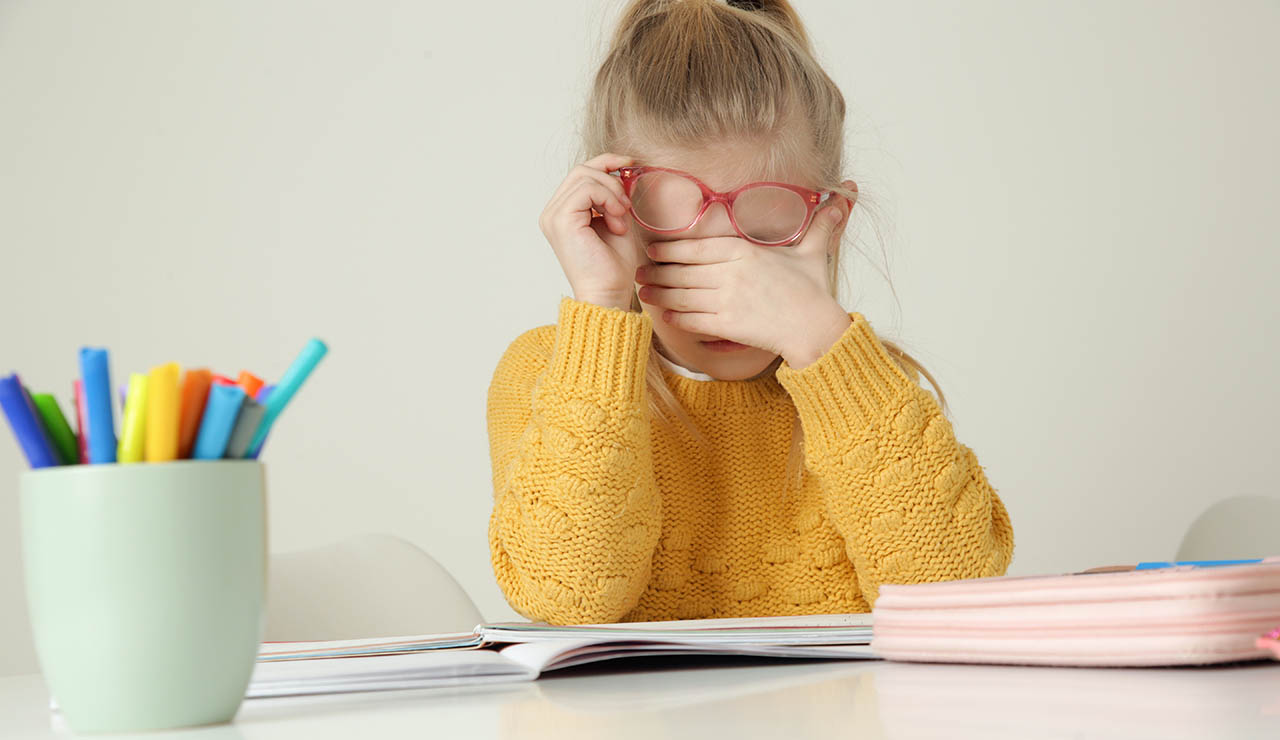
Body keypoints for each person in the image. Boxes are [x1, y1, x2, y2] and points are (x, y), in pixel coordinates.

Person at [487, 0, 1013, 625]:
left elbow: (958, 598)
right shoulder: (551, 373)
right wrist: (601, 309)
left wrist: (825, 343)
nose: (728, 300)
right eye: (683, 250)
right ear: (612, 222)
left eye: (764, 240)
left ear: (830, 224)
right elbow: (568, 595)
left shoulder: (871, 391)